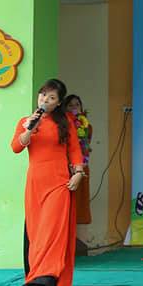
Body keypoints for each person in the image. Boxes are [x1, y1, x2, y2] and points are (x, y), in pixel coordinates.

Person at [11, 79, 85, 286]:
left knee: (52, 230)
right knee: (37, 230)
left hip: (59, 182)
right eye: (43, 95)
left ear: (58, 102)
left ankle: (44, 278)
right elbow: (16, 147)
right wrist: (29, 129)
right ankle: (39, 276)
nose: (45, 100)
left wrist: (78, 173)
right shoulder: (26, 122)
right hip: (36, 182)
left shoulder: (65, 121)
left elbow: (74, 149)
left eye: (51, 97)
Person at [64, 95, 92, 225]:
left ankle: (77, 229)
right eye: (70, 105)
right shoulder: (62, 125)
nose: (74, 107)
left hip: (81, 167)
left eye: (77, 104)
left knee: (80, 201)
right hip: (65, 167)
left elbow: (85, 146)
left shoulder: (86, 126)